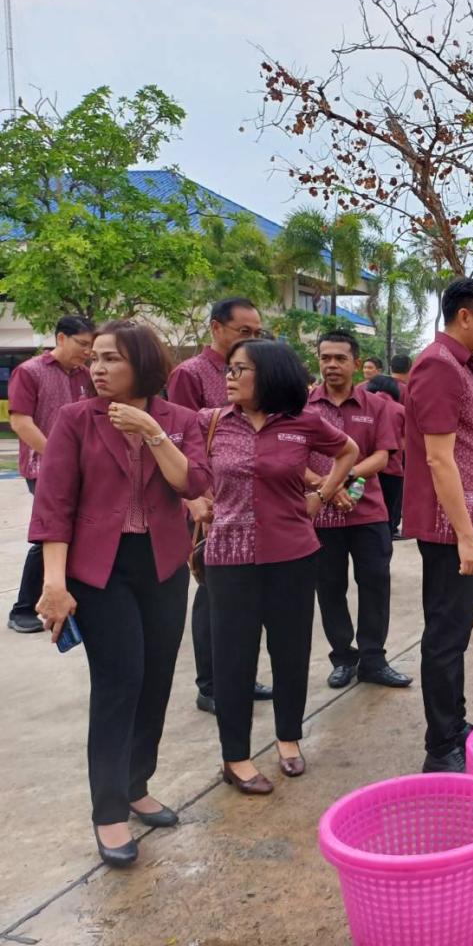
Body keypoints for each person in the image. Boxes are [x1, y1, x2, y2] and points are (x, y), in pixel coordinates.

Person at [30, 320, 212, 867]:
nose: (97, 368)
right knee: (120, 681)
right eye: (95, 358)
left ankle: (136, 785)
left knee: (156, 676)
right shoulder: (74, 419)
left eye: (111, 359)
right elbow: (54, 505)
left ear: (144, 364)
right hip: (97, 568)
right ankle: (108, 811)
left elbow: (195, 485)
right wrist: (54, 583)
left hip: (161, 564)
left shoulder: (179, 420)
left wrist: (152, 432)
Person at [201, 340, 358, 794]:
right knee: (233, 660)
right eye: (228, 369)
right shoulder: (211, 422)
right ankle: (236, 757)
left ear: (268, 375)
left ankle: (288, 738)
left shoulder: (302, 423)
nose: (229, 377)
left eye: (241, 369)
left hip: (292, 554)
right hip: (229, 559)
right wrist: (194, 499)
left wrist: (323, 495)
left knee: (290, 652)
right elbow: (183, 467)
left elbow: (347, 451)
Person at [403, 277, 473, 773]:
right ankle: (441, 745)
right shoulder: (439, 368)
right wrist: (466, 536)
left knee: (455, 636)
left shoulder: (462, 368)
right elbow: (440, 460)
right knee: (444, 637)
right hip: (449, 531)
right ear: (464, 317)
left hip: (468, 525)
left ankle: (455, 722)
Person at [166, 297, 272, 713]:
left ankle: (240, 675)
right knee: (213, 591)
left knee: (248, 596)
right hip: (211, 501)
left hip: (252, 500)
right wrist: (199, 500)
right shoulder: (190, 374)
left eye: (256, 333)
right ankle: (211, 684)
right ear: (216, 329)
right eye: (243, 331)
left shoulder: (256, 372)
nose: (250, 340)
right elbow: (183, 438)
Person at [305, 332, 410, 691]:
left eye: (339, 358)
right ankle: (342, 657)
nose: (331, 365)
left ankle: (373, 659)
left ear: (355, 361)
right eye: (325, 358)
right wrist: (327, 490)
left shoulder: (375, 406)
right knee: (329, 586)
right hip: (320, 515)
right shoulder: (302, 406)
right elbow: (291, 458)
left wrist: (341, 478)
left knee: (375, 584)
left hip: (368, 513)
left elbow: (382, 455)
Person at [7, 314, 95, 634]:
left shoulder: (87, 375)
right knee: (51, 533)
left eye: (91, 346)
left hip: (84, 469)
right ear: (61, 338)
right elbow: (20, 422)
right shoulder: (30, 372)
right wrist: (58, 456)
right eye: (82, 344)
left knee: (79, 532)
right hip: (41, 467)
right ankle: (23, 609)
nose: (87, 351)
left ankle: (67, 598)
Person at [364, 375, 406, 540]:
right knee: (389, 506)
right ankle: (387, 535)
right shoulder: (400, 409)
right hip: (392, 468)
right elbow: (405, 441)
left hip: (364, 468)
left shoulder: (365, 406)